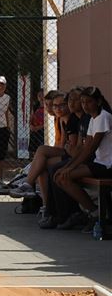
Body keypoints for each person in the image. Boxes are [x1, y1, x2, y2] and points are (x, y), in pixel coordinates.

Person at [51, 86, 112, 230]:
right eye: (83, 102)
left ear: (98, 101)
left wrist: (70, 168)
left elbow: (91, 148)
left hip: (107, 166)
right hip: (99, 164)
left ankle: (94, 213)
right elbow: (84, 149)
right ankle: (93, 212)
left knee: (64, 177)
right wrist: (67, 167)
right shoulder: (93, 119)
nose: (85, 105)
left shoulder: (104, 117)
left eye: (89, 102)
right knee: (59, 175)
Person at [28, 89, 45, 158]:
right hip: (34, 130)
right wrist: (31, 125)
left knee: (41, 148)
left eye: (42, 95)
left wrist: (39, 127)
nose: (41, 97)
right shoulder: (36, 106)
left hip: (42, 130)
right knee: (34, 150)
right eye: (39, 96)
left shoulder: (47, 107)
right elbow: (31, 118)